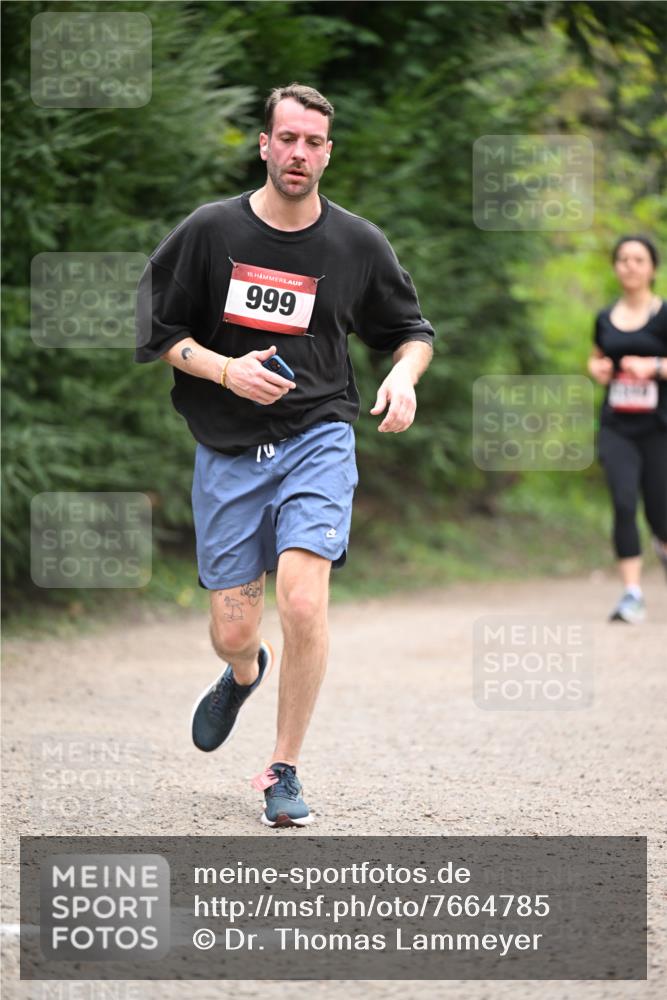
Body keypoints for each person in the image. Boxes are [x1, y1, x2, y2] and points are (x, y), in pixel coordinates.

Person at [135, 83, 434, 826]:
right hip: (228, 449)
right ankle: (242, 670)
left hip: (318, 437)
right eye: (287, 138)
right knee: (233, 628)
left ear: (328, 153)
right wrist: (224, 370)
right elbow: (154, 328)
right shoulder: (210, 232)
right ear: (264, 144)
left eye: (313, 142)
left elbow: (411, 330)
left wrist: (402, 377)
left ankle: (283, 770)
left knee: (302, 598)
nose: (299, 153)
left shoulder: (355, 244)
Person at [587, 235, 667, 623]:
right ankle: (632, 594)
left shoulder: (665, 314)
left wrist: (653, 367)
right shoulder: (604, 318)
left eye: (638, 259)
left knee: (660, 513)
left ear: (652, 267)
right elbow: (597, 359)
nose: (630, 266)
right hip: (617, 425)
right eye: (622, 259)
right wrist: (597, 369)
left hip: (659, 427)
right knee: (622, 502)